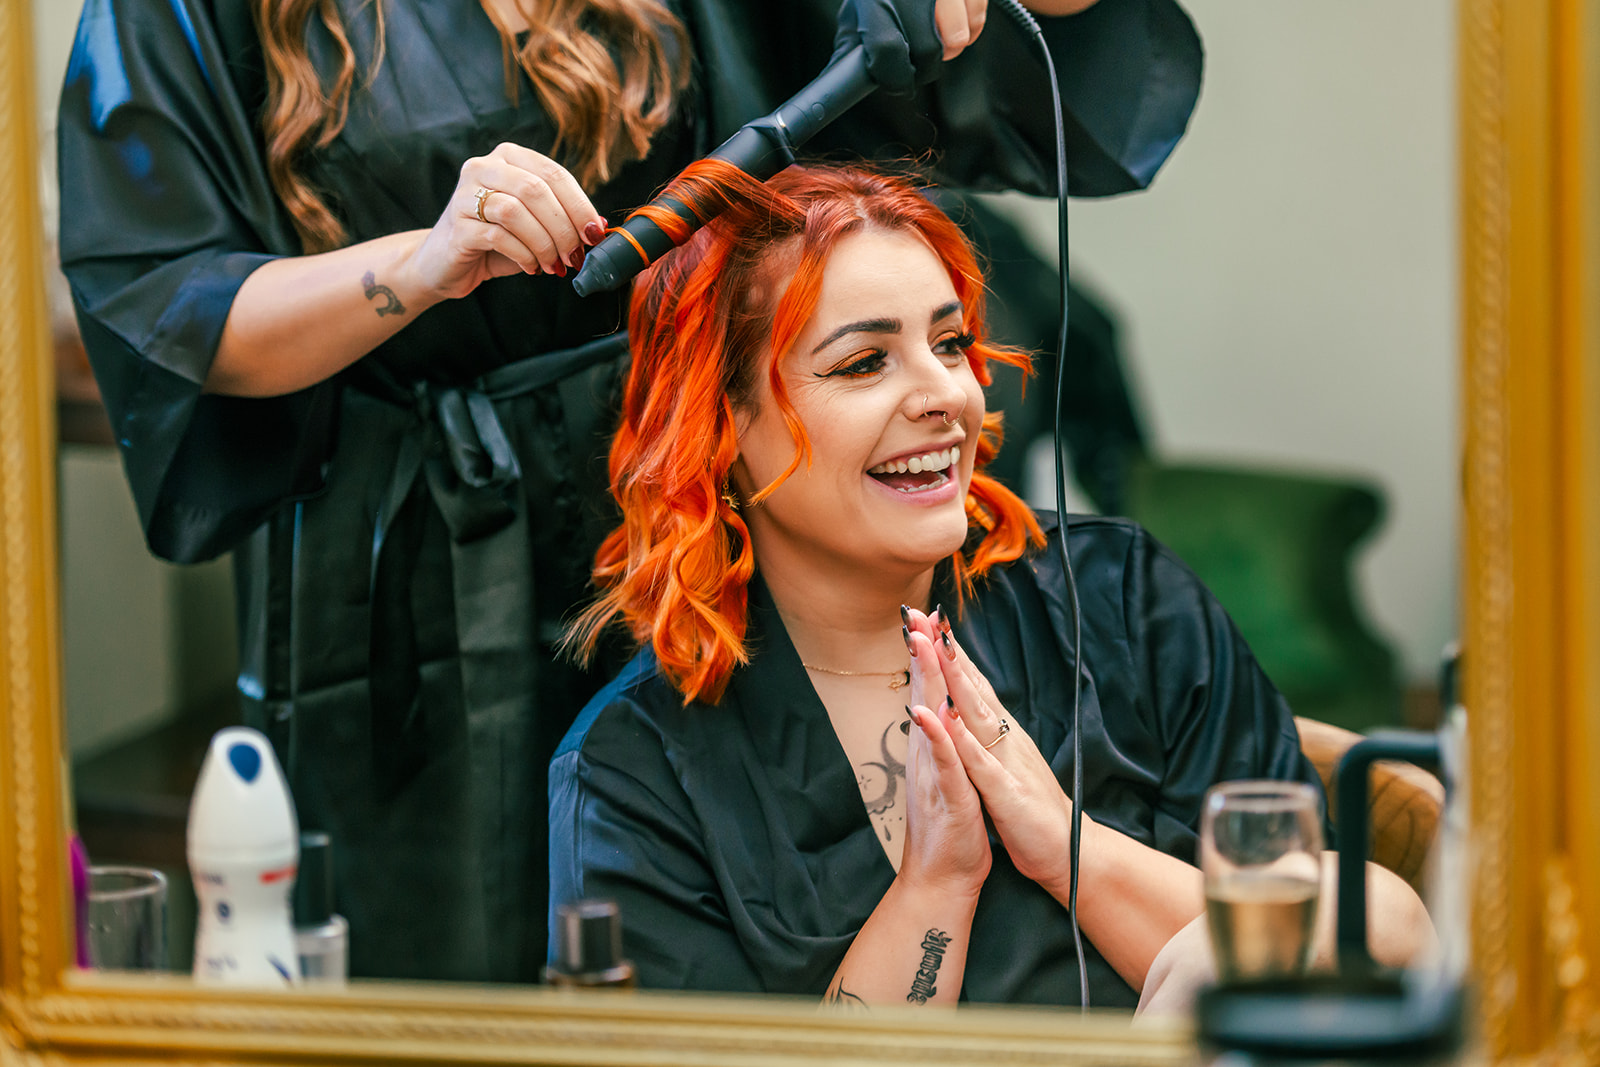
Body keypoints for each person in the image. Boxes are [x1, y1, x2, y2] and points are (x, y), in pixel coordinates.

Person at [56, 0, 1202, 982]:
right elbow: (170, 296)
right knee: (444, 976)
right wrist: (423, 265)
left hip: (688, 498)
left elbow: (909, 80)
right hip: (411, 559)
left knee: (756, 925)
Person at [549, 160, 1435, 1008]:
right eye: (864, 363)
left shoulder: (1122, 602)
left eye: (949, 342)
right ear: (719, 423)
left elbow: (1355, 945)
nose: (947, 393)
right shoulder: (634, 775)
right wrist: (936, 886)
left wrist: (1068, 851)